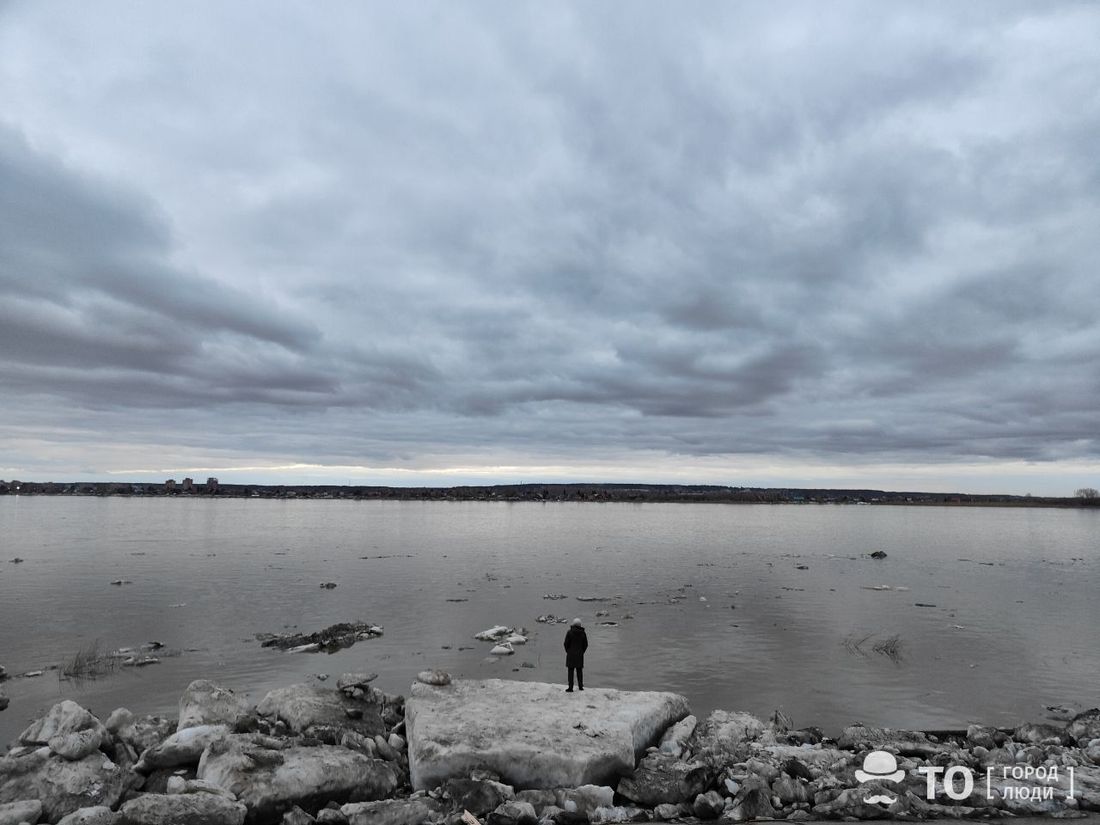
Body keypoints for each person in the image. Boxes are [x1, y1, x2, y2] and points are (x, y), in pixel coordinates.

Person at [563, 617, 588, 692]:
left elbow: (565, 644)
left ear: (573, 624)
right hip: (579, 655)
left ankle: (570, 687)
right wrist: (582, 651)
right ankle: (580, 686)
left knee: (570, 671)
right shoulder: (583, 633)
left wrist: (568, 651)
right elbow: (586, 644)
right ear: (580, 625)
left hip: (570, 654)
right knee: (579, 671)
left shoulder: (569, 632)